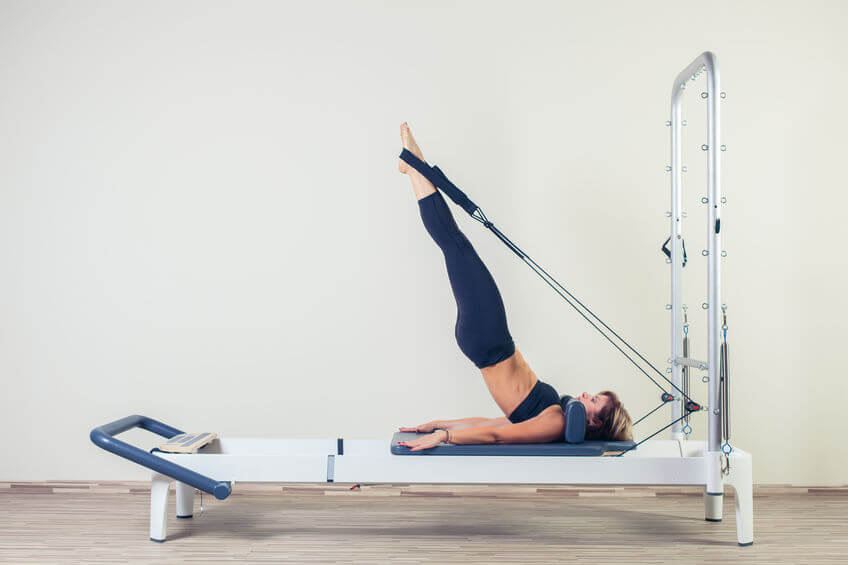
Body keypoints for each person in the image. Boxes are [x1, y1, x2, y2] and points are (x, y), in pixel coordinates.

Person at [396, 123, 632, 452]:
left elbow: (497, 437)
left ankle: (413, 165)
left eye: (593, 400)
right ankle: (412, 167)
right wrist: (439, 424)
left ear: (594, 422)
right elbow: (493, 424)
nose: (583, 395)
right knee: (455, 247)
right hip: (489, 342)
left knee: (456, 246)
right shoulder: (555, 416)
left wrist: (445, 437)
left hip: (490, 340)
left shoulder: (554, 423)